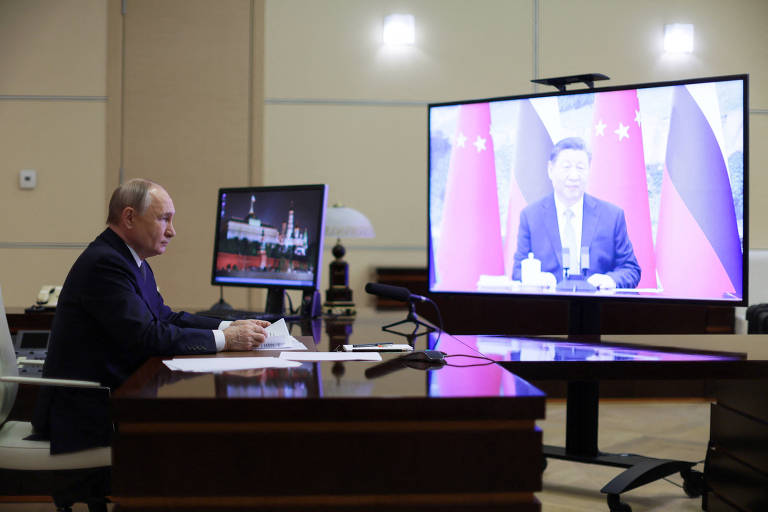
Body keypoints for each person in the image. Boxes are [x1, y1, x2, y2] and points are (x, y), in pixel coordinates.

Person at [33, 179, 270, 454]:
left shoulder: (130, 260)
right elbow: (147, 337)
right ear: (129, 217)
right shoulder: (105, 264)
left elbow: (165, 317)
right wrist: (225, 340)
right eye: (164, 219)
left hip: (115, 396)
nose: (172, 231)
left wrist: (230, 326)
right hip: (88, 413)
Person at [512, 137, 641, 289]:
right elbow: (517, 271)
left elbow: (631, 269)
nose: (574, 176)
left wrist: (610, 280)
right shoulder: (531, 216)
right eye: (566, 167)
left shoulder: (612, 216)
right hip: (548, 307)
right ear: (550, 170)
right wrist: (537, 278)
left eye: (580, 168)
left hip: (597, 306)